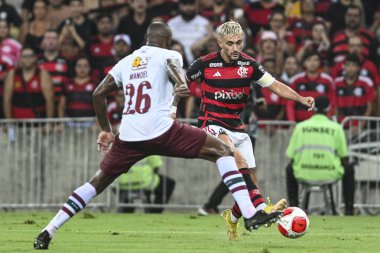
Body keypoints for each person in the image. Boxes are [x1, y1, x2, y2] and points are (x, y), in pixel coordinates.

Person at [33, 22, 283, 250]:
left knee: (96, 182)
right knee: (224, 152)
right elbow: (173, 68)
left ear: (145, 38)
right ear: (167, 41)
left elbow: (98, 94)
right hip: (163, 130)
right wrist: (179, 83)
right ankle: (250, 214)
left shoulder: (126, 61)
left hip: (129, 136)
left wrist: (105, 130)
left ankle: (48, 230)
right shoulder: (169, 53)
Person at [183, 20, 315, 240]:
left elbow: (275, 85)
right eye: (230, 44)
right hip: (211, 123)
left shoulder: (249, 65)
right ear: (220, 43)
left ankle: (233, 219)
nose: (235, 48)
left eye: (239, 43)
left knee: (250, 180)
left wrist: (300, 98)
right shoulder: (204, 64)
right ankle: (261, 208)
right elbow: (180, 84)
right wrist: (170, 110)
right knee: (239, 161)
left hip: (237, 126)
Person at [286, 96, 355, 215]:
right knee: (349, 169)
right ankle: (349, 211)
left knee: (289, 169)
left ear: (313, 108)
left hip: (303, 173)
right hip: (330, 173)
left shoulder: (300, 127)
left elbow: (291, 156)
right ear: (329, 109)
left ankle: (294, 207)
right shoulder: (337, 128)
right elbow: (344, 157)